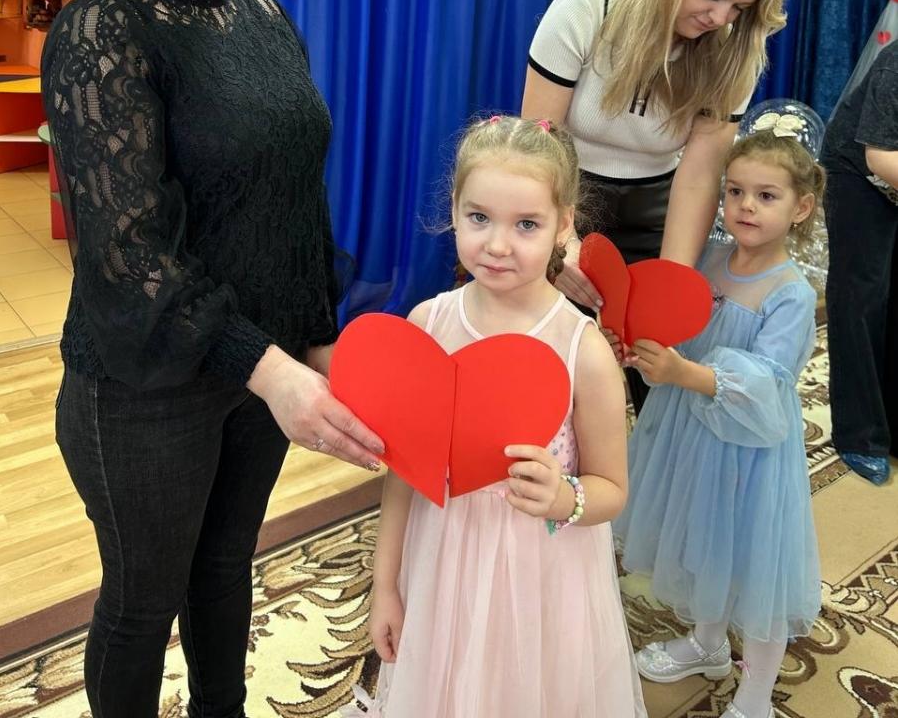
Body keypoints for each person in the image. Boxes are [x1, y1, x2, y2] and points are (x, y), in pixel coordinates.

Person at [41, 0, 383, 718]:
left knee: (227, 571)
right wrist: (275, 372)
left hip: (258, 367)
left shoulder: (266, 20)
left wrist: (317, 338)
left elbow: (296, 201)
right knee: (142, 604)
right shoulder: (102, 30)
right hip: (144, 387)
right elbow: (129, 257)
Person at [350, 116, 646, 718]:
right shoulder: (428, 325)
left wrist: (564, 497)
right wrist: (386, 585)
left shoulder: (582, 350)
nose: (498, 244)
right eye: (479, 217)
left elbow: (612, 489)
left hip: (543, 572)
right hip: (443, 561)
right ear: (454, 211)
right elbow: (405, 476)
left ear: (564, 224)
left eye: (526, 224)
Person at [521, 0, 789, 412]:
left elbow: (699, 177)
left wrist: (671, 287)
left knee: (656, 371)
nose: (720, 18)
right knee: (553, 372)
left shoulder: (736, 50)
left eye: (739, 8)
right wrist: (559, 242)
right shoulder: (585, 7)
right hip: (563, 196)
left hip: (657, 213)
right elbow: (540, 142)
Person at [615, 130, 823, 718]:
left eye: (766, 195)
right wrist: (646, 348)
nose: (746, 206)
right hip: (691, 433)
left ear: (801, 207)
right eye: (735, 191)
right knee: (702, 541)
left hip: (749, 453)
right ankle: (707, 644)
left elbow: (768, 388)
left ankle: (755, 698)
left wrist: (684, 371)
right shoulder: (705, 258)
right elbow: (679, 328)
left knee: (754, 570)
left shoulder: (790, 294)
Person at [821, 39, 898, 485]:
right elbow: (880, 155)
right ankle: (860, 435)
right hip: (860, 174)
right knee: (860, 295)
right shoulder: (895, 65)